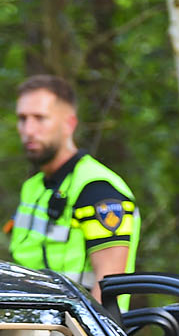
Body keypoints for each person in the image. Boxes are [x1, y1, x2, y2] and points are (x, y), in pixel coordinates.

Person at [8, 75, 138, 303]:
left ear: (69, 124)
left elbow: (109, 287)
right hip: (33, 316)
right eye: (22, 119)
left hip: (77, 322)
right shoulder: (33, 187)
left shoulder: (97, 189)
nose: (28, 129)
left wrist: (81, 328)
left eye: (40, 118)